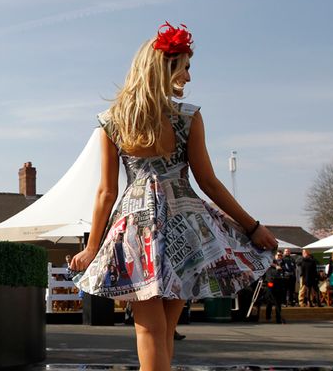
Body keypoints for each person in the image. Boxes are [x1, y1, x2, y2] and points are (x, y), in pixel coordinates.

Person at [69, 22, 277, 371]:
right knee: (164, 328)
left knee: (149, 329)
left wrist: (92, 247)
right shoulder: (188, 117)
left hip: (137, 228)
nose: (189, 77)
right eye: (185, 67)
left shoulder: (112, 121)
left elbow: (107, 191)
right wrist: (252, 226)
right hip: (185, 225)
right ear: (166, 68)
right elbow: (208, 182)